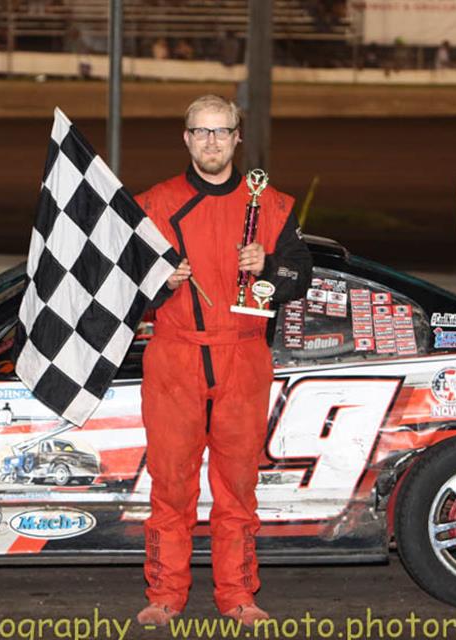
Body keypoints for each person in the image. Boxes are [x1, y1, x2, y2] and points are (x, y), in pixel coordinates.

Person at [134, 95, 313, 627]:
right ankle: (165, 595)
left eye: (221, 131)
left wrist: (271, 265)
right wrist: (157, 283)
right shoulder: (152, 205)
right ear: (185, 138)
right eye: (201, 131)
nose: (211, 142)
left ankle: (238, 595)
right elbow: (120, 289)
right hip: (175, 356)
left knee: (238, 486)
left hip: (243, 358)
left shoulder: (273, 205)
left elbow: (299, 278)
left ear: (238, 138)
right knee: (171, 485)